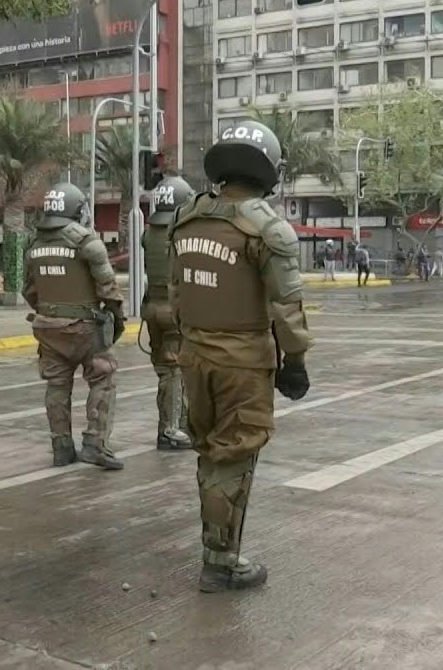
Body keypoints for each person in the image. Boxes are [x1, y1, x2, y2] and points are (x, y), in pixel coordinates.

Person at [170, 119, 314, 592]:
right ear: (268, 168)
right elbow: (287, 306)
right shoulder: (267, 228)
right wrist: (295, 363)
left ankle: (215, 546)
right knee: (234, 455)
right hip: (242, 363)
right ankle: (221, 562)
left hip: (195, 356)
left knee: (209, 452)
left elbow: (177, 292)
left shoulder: (187, 218)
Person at [23, 182, 125, 470]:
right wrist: (116, 321)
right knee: (103, 380)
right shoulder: (87, 242)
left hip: (48, 326)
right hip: (85, 327)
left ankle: (61, 447)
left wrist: (50, 314)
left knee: (56, 385)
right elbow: (108, 289)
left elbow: (28, 291)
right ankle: (95, 443)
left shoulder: (34, 245)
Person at [142, 176, 195, 451]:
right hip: (174, 310)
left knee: (166, 370)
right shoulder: (183, 233)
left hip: (152, 308)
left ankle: (180, 424)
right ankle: (171, 429)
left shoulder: (149, 233)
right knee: (175, 371)